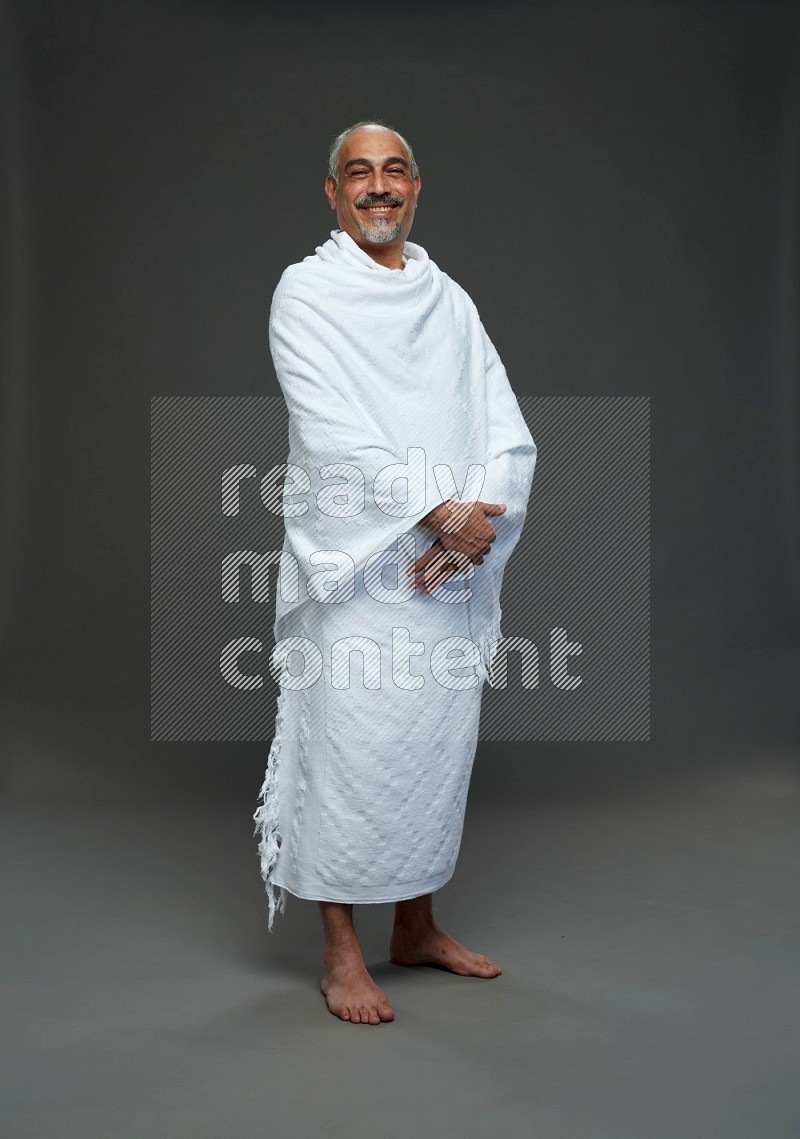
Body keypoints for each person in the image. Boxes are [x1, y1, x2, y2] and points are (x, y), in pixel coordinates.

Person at [254, 121, 537, 1025]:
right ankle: (341, 948)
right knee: (351, 746)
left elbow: (502, 419)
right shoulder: (307, 293)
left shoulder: (448, 298)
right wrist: (434, 512)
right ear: (331, 194)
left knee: (432, 748)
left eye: (395, 171)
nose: (378, 187)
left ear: (417, 187)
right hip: (360, 566)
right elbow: (335, 429)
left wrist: (471, 524)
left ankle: (414, 925)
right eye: (358, 174)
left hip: (444, 569)